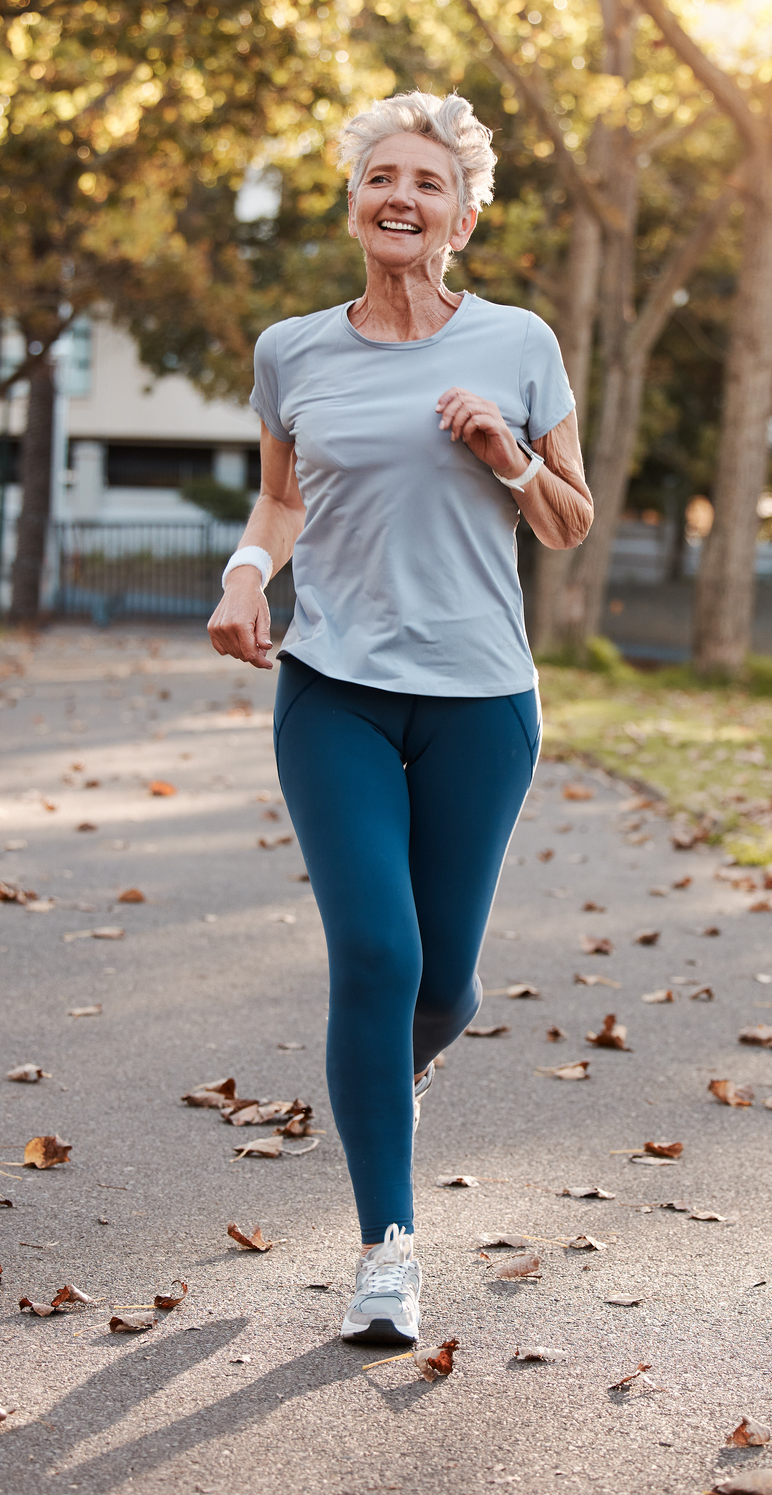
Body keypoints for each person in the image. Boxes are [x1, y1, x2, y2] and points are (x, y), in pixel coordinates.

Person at [207, 89, 593, 1344]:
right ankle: (388, 1249)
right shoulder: (293, 351)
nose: (400, 197)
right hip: (336, 692)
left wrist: (508, 455)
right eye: (382, 176)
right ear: (355, 201)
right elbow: (280, 504)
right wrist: (246, 576)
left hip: (483, 702)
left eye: (427, 182)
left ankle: (392, 1077)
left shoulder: (520, 344)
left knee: (447, 987)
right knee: (376, 956)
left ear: (463, 217)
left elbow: (570, 523)